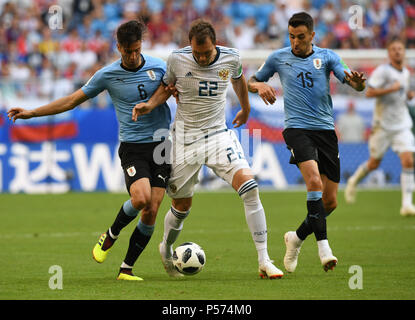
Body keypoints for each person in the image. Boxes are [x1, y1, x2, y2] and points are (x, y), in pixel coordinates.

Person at [7, 20, 172, 281]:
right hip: (133, 146)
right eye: (127, 50)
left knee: (152, 209)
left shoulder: (159, 66)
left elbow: (170, 90)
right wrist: (33, 112)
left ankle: (126, 269)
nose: (132, 55)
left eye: (137, 49)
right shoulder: (106, 74)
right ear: (118, 47)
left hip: (163, 144)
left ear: (142, 45)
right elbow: (72, 100)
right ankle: (111, 234)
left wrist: (157, 102)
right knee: (140, 198)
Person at [133, 19, 284, 279]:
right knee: (181, 206)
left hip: (217, 135)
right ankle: (167, 248)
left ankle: (264, 260)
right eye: (197, 53)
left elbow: (239, 81)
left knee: (250, 187)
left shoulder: (231, 58)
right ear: (190, 46)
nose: (201, 58)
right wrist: (149, 104)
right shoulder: (177, 60)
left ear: (215, 44)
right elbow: (166, 88)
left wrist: (246, 109)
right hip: (184, 139)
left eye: (206, 52)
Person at [247, 12, 366, 273]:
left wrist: (357, 85)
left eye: (300, 37)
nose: (295, 42)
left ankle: (296, 238)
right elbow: (251, 81)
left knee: (330, 201)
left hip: (325, 131)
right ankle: (324, 248)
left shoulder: (328, 57)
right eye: (291, 36)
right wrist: (259, 87)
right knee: (313, 182)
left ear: (312, 35)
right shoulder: (278, 57)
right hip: (296, 129)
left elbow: (350, 79)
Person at [345, 38, 415, 217]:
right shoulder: (382, 72)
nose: (398, 52)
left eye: (400, 48)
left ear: (404, 52)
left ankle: (406, 204)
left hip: (402, 125)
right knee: (374, 163)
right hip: (382, 126)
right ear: (389, 53)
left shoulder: (406, 73)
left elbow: (403, 93)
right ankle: (353, 181)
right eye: (394, 49)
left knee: (408, 160)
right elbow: (369, 92)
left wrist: (407, 94)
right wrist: (391, 89)